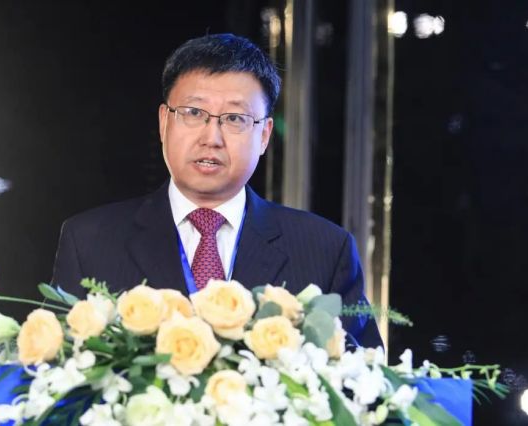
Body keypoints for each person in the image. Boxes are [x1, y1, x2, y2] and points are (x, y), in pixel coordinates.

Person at [52, 33, 382, 348]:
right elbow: (52, 370)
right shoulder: (90, 242)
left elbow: (362, 374)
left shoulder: (325, 250)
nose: (212, 138)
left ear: (264, 135)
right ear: (164, 122)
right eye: (194, 113)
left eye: (235, 118)